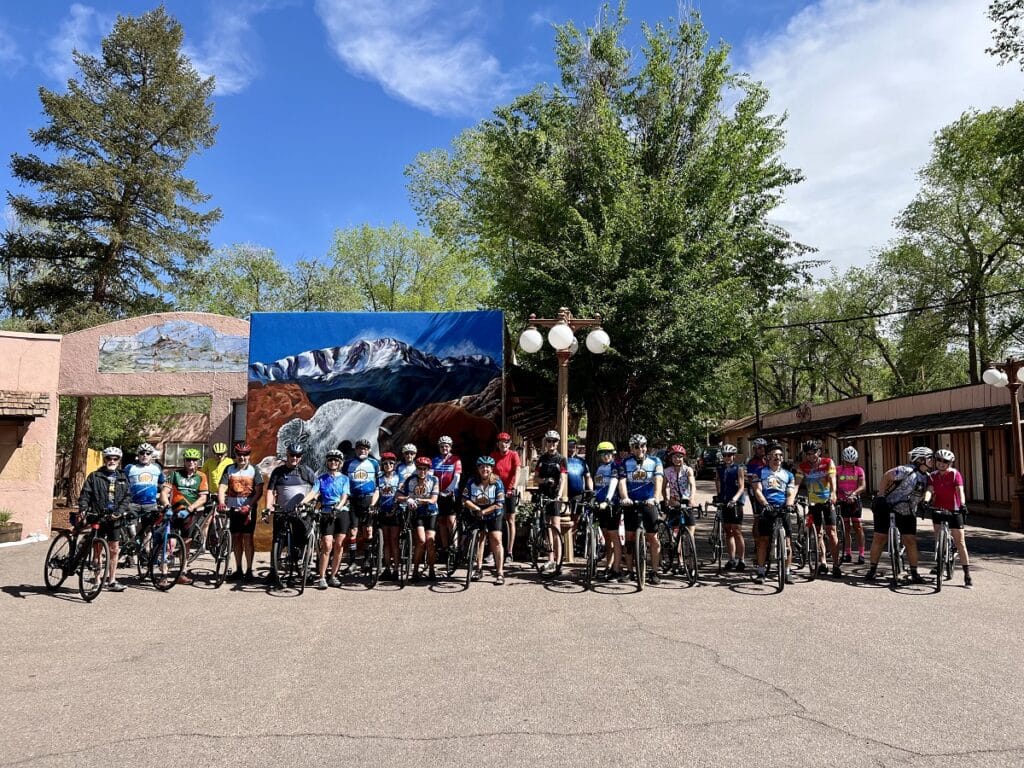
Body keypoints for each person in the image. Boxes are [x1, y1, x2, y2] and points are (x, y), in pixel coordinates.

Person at [864, 447, 934, 583]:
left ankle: (914, 573)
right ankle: (872, 570)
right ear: (920, 460)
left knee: (910, 541)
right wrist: (881, 496)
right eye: (929, 458)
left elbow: (928, 491)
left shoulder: (927, 477)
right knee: (879, 538)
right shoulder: (905, 470)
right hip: (887, 507)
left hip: (908, 512)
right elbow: (886, 476)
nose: (932, 461)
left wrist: (925, 502)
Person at [264, 442, 318, 589]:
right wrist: (268, 507)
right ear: (287, 455)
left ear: (301, 457)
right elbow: (270, 491)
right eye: (292, 455)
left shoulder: (306, 471)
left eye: (298, 456)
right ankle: (273, 571)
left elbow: (317, 487)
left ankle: (302, 570)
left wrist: (309, 501)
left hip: (301, 513)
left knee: (300, 542)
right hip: (282, 511)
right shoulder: (278, 472)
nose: (294, 458)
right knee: (277, 541)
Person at [77, 446, 131, 592]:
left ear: (119, 461)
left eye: (115, 458)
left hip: (115, 518)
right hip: (98, 516)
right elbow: (85, 494)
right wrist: (83, 508)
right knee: (97, 549)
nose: (112, 461)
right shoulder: (95, 476)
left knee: (114, 550)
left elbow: (127, 497)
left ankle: (112, 580)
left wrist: (119, 512)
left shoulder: (123, 477)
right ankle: (97, 580)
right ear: (104, 459)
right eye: (109, 458)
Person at [618, 434, 665, 584]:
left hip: (649, 502)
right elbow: (622, 481)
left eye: (643, 445)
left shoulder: (655, 461)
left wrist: (656, 497)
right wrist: (625, 497)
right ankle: (630, 571)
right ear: (631, 448)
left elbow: (658, 479)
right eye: (636, 446)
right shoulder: (625, 462)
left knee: (653, 538)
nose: (640, 449)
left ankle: (655, 571)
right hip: (631, 503)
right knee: (630, 537)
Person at [749, 443, 798, 585]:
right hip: (767, 507)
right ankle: (761, 571)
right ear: (768, 457)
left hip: (783, 508)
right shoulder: (759, 472)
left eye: (780, 455)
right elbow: (757, 490)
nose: (778, 458)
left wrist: (789, 504)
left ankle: (787, 571)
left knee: (788, 541)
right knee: (763, 540)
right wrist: (765, 504)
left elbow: (790, 492)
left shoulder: (788, 474)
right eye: (775, 455)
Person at [924, 449, 972, 588]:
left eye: (945, 461)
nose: (942, 463)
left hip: (954, 510)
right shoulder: (932, 475)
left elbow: (960, 491)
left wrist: (962, 505)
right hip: (938, 509)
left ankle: (967, 575)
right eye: (939, 460)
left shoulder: (955, 474)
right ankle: (939, 562)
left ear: (950, 463)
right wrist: (926, 501)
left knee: (960, 542)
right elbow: (929, 490)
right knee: (938, 537)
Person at [218, 442, 264, 583]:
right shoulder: (229, 469)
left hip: (248, 510)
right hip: (233, 509)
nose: (242, 458)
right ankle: (238, 569)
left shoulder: (254, 469)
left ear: (249, 456)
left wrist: (249, 505)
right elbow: (222, 487)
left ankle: (249, 570)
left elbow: (259, 491)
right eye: (239, 455)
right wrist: (221, 502)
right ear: (235, 456)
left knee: (248, 539)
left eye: (245, 455)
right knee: (236, 539)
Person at [162, 447, 209, 585]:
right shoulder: (175, 474)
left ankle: (182, 573)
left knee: (186, 543)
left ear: (198, 462)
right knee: (169, 543)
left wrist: (190, 509)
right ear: (184, 461)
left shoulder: (201, 476)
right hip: (174, 511)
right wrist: (166, 506)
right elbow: (165, 492)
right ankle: (164, 575)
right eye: (188, 460)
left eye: (194, 460)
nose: (191, 462)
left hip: (190, 513)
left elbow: (203, 498)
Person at [795, 440, 841, 578]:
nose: (810, 456)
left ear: (818, 452)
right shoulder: (802, 466)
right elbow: (797, 484)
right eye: (807, 454)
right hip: (813, 504)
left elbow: (832, 479)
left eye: (813, 453)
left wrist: (833, 493)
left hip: (827, 501)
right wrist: (792, 497)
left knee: (832, 533)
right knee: (817, 533)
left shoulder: (828, 462)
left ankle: (836, 564)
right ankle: (823, 562)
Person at [463, 455, 507, 584]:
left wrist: (484, 511)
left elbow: (499, 503)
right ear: (478, 469)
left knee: (496, 539)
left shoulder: (497, 482)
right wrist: (477, 509)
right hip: (477, 511)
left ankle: (500, 572)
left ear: (492, 469)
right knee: (479, 538)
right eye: (482, 467)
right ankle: (478, 568)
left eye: (487, 467)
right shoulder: (472, 481)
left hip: (494, 512)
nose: (485, 469)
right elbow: (465, 499)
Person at [311, 449, 351, 589]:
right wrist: (304, 502)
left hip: (341, 512)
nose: (333, 462)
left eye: (335, 460)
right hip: (326, 512)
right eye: (330, 460)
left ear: (340, 463)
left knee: (339, 545)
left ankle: (333, 575)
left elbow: (345, 495)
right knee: (327, 544)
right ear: (327, 462)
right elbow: (314, 492)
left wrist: (339, 506)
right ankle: (322, 577)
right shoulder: (321, 478)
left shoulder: (345, 479)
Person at [397, 456, 440, 581]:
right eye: (420, 469)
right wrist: (407, 499)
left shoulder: (434, 480)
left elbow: (433, 500)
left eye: (425, 469)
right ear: (416, 469)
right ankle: (415, 570)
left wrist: (417, 499)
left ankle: (432, 570)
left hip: (431, 512)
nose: (422, 471)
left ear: (428, 470)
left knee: (430, 542)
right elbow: (397, 495)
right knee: (421, 541)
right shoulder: (410, 480)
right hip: (417, 513)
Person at [123, 442, 169, 558]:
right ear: (138, 454)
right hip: (133, 504)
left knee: (149, 529)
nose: (145, 455)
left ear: (151, 455)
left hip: (150, 504)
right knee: (131, 530)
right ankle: (133, 549)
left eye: (148, 453)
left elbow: (162, 484)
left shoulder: (157, 468)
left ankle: (144, 551)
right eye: (142, 453)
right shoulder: (129, 468)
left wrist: (163, 498)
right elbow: (122, 484)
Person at [532, 429, 568, 574]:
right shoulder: (542, 459)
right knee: (546, 529)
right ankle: (550, 559)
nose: (551, 444)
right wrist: (545, 480)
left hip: (555, 496)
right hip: (543, 495)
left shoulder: (561, 459)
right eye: (549, 441)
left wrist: (559, 494)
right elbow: (535, 478)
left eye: (554, 441)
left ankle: (559, 561)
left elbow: (563, 478)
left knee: (556, 527)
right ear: (545, 443)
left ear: (557, 443)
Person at [344, 438, 381, 572]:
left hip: (368, 500)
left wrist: (374, 503)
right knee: (353, 532)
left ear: (369, 450)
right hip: (353, 500)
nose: (362, 450)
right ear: (356, 450)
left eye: (365, 449)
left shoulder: (374, 463)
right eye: (360, 448)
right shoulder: (348, 464)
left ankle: (367, 560)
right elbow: (343, 481)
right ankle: (352, 562)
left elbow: (379, 485)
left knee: (368, 531)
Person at [663, 444, 697, 577]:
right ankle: (679, 561)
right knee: (675, 537)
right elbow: (664, 487)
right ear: (671, 458)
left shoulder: (688, 470)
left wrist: (692, 499)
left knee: (689, 537)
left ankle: (690, 563)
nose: (678, 459)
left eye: (680, 457)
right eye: (675, 456)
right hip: (674, 503)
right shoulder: (667, 471)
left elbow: (692, 485)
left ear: (684, 458)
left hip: (686, 504)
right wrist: (667, 499)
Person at [490, 432, 521, 566]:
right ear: (498, 444)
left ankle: (509, 551)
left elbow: (517, 470)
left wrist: (514, 486)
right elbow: (489, 472)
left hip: (509, 491)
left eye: (507, 442)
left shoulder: (513, 455)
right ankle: (493, 551)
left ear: (509, 444)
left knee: (510, 520)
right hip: (497, 491)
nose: (504, 444)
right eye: (501, 442)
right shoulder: (493, 455)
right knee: (494, 519)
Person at [715, 444, 747, 571]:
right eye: (724, 455)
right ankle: (731, 559)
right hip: (724, 501)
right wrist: (718, 496)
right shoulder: (720, 468)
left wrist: (735, 499)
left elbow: (741, 487)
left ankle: (742, 560)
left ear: (734, 456)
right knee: (728, 530)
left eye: (729, 455)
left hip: (736, 502)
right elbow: (718, 481)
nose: (727, 457)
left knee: (737, 531)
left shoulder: (738, 468)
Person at [592, 441, 621, 579]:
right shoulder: (599, 468)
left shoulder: (615, 466)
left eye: (608, 453)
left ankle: (616, 570)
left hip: (612, 505)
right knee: (606, 537)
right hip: (600, 506)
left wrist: (608, 500)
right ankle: (608, 566)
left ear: (613, 454)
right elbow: (598, 487)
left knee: (613, 536)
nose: (606, 456)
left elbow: (614, 482)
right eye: (602, 454)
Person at [432, 435, 462, 556]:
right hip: (437, 493)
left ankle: (454, 546)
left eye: (446, 446)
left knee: (451, 520)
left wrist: (449, 490)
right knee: (441, 521)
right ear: (439, 447)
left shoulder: (456, 459)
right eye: (442, 446)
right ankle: (445, 547)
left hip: (451, 494)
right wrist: (434, 490)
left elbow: (457, 476)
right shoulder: (435, 460)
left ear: (450, 447)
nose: (444, 448)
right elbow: (431, 476)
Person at [836, 446, 867, 564]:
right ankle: (848, 553)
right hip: (842, 501)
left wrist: (854, 493)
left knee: (858, 527)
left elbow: (863, 485)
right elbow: (834, 483)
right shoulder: (838, 470)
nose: (850, 464)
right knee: (846, 528)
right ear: (843, 460)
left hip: (855, 501)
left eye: (852, 462)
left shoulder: (859, 470)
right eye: (848, 462)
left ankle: (861, 554)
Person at [376, 452, 403, 579]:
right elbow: (376, 493)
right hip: (383, 511)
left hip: (395, 511)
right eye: (385, 463)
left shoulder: (399, 478)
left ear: (394, 464)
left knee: (394, 541)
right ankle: (387, 568)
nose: (388, 465)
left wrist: (395, 506)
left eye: (391, 463)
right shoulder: (379, 478)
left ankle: (396, 569)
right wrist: (372, 505)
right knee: (386, 541)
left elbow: (401, 494)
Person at [746, 438, 768, 542]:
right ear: (755, 449)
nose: (762, 449)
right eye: (760, 448)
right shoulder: (752, 462)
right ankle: (757, 542)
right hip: (755, 491)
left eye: (764, 447)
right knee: (758, 518)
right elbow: (751, 479)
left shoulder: (768, 460)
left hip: (767, 490)